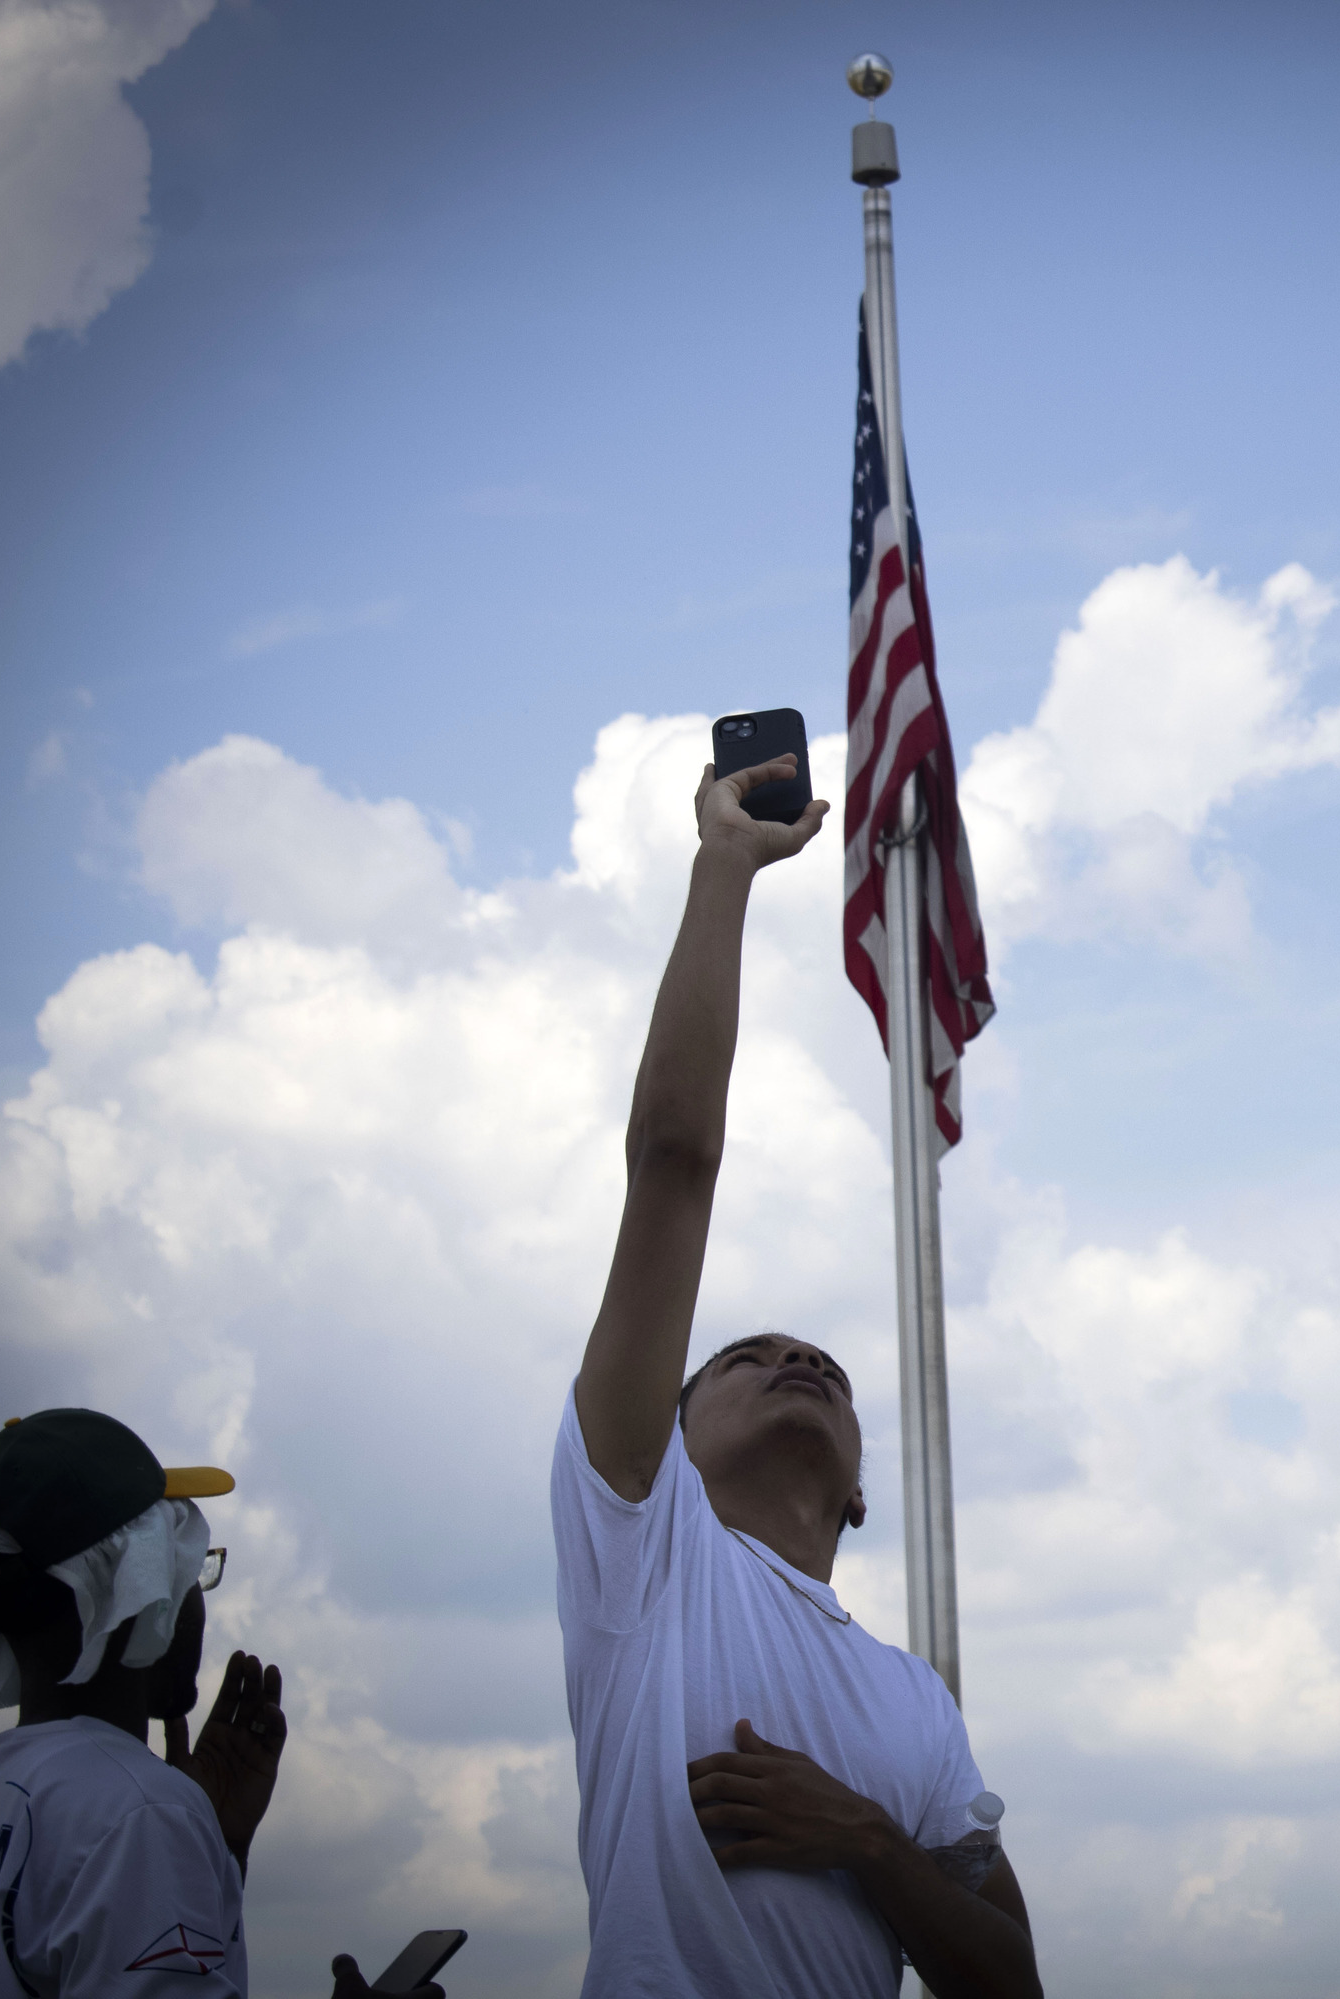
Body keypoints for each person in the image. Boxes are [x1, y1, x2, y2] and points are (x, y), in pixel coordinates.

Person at [553, 750, 1039, 1999]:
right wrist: (726, 867)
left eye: (822, 1363)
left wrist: (866, 1837)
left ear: (862, 1490)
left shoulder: (914, 1703)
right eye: (747, 1355)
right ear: (666, 1431)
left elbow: (1012, 1981)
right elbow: (673, 1158)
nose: (800, 1359)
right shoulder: (641, 1552)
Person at [0, 1407, 436, 1997]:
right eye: (188, 1571)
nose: (193, 1602)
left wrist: (219, 1853)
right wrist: (170, 1829)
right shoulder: (139, 1814)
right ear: (130, 1586)